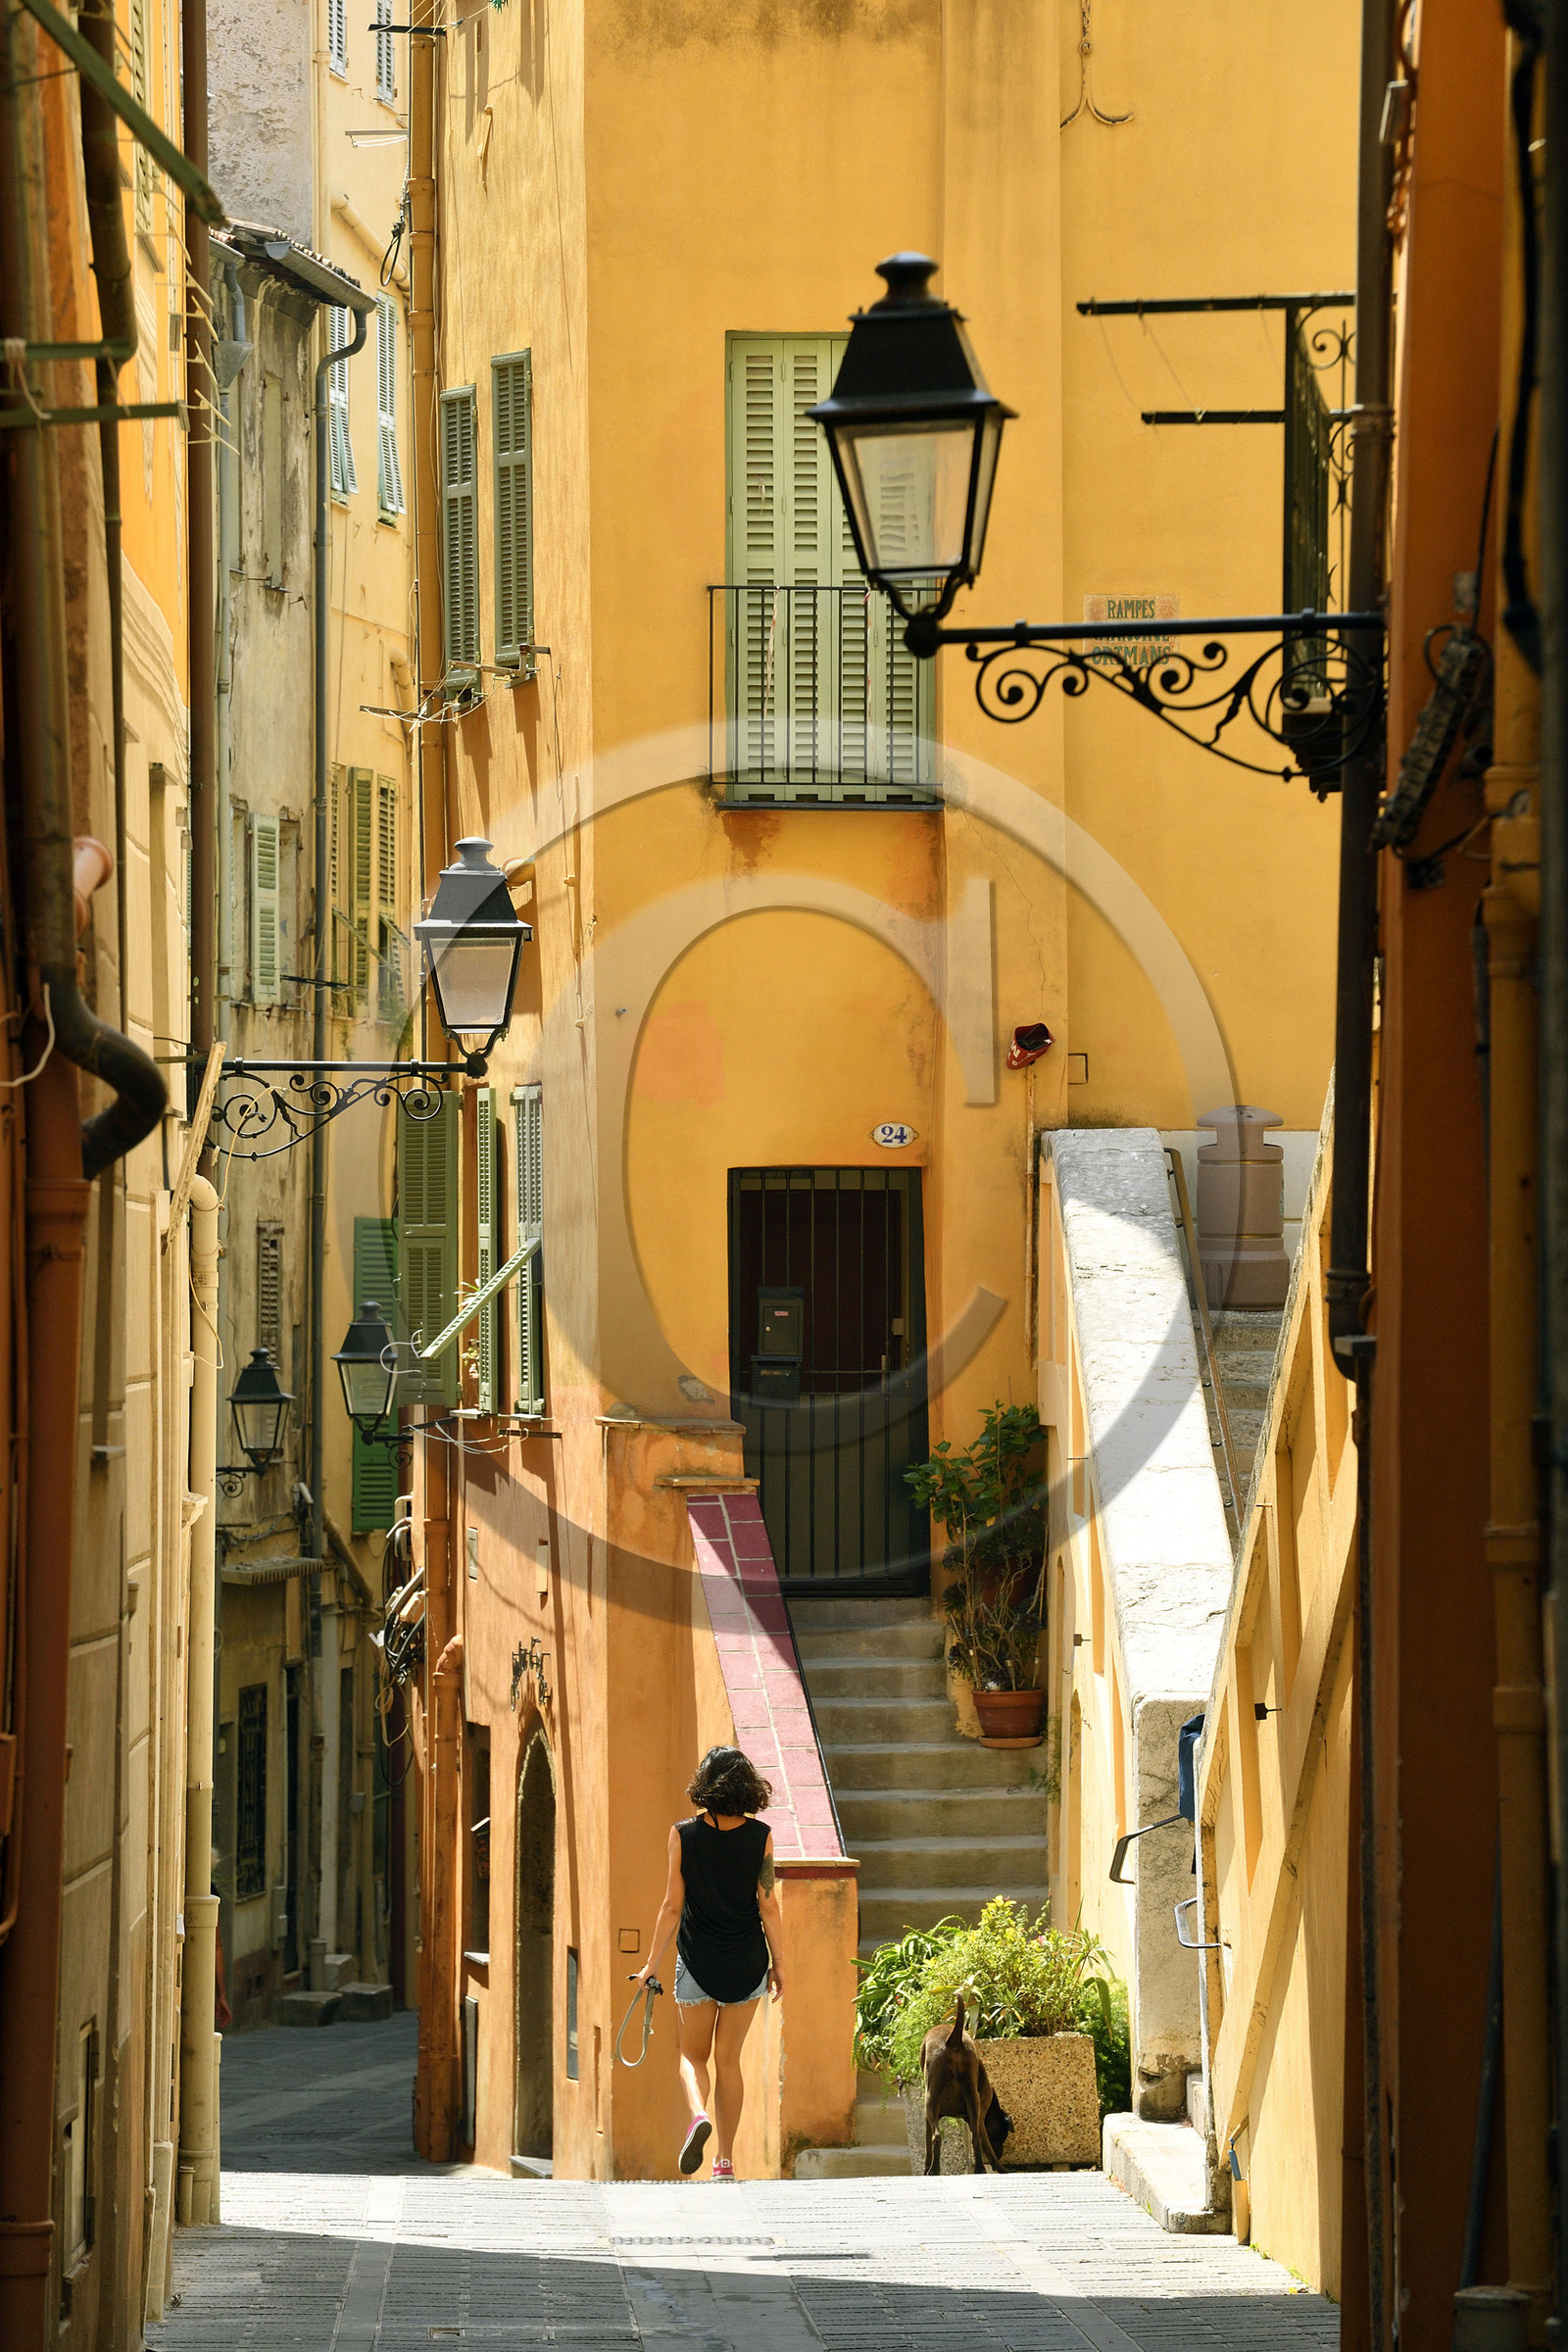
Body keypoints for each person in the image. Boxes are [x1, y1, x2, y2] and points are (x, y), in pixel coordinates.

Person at [631, 1743, 783, 2181]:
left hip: (698, 1962)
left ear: (705, 1784)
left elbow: (671, 1906)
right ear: (747, 1785)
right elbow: (769, 1906)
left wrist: (650, 1966)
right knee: (729, 2061)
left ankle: (698, 2115)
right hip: (747, 1962)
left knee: (691, 2056)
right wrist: (780, 1964)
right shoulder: (762, 1836)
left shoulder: (683, 1834)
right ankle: (725, 2161)